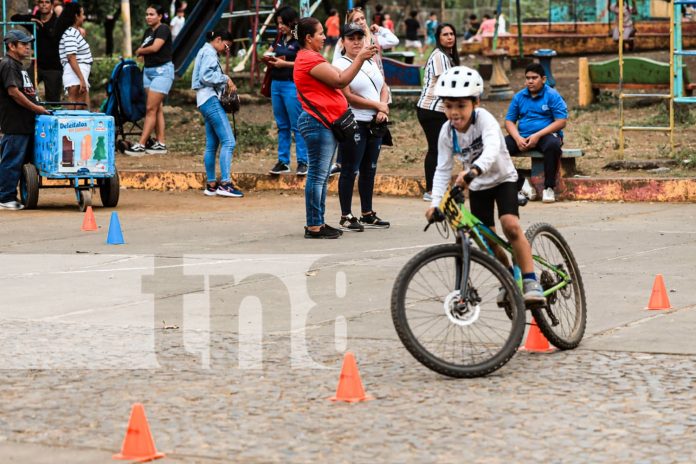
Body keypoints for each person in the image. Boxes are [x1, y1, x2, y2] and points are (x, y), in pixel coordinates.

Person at [425, 66, 546, 307]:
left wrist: (473, 171)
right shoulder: (447, 132)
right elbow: (442, 169)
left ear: (475, 103)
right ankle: (509, 278)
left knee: (510, 225)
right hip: (478, 186)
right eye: (449, 106)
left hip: (503, 179)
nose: (454, 113)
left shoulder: (485, 120)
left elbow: (491, 151)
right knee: (486, 239)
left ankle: (532, 280)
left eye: (461, 106)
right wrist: (435, 203)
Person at [293, 17, 378, 239]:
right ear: (308, 38)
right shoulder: (308, 59)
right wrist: (359, 58)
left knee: (320, 176)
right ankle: (314, 226)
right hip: (317, 122)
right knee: (317, 176)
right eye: (320, 33)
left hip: (323, 123)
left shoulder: (310, 57)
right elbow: (340, 81)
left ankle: (318, 222)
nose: (324, 36)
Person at [333, 23, 390, 232]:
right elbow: (348, 96)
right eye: (351, 38)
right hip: (354, 121)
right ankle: (346, 215)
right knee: (350, 169)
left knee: (369, 169)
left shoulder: (371, 61)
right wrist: (378, 105)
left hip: (375, 122)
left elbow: (383, 86)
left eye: (360, 37)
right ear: (343, 42)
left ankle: (367, 213)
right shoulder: (340, 65)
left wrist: (382, 109)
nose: (356, 41)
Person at [329, 6, 398, 176]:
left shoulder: (372, 39)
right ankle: (341, 162)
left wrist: (380, 29)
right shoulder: (343, 47)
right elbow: (341, 77)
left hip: (376, 88)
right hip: (356, 96)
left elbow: (393, 40)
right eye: (356, 20)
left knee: (369, 168)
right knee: (351, 167)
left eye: (362, 19)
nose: (360, 22)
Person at [0, 30, 51, 211]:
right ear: (11, 46)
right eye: (23, 44)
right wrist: (36, 108)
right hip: (15, 123)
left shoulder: (18, 65)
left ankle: (17, 195)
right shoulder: (8, 65)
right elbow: (13, 92)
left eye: (29, 43)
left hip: (26, 122)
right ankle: (5, 197)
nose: (28, 46)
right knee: (12, 161)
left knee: (21, 162)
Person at [504, 63, 568, 204]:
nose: (530, 81)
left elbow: (561, 121)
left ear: (543, 79)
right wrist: (517, 138)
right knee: (498, 148)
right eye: (527, 78)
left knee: (553, 145)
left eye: (534, 78)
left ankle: (549, 187)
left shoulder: (552, 95)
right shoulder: (519, 97)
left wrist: (537, 135)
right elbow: (509, 121)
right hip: (522, 136)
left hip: (546, 136)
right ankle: (521, 183)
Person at [191, 31, 243, 198]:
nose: (227, 49)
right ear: (218, 40)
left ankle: (212, 184)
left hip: (203, 100)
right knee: (229, 141)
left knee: (212, 144)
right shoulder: (209, 52)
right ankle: (225, 184)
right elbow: (206, 76)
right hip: (210, 100)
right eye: (226, 45)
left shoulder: (204, 50)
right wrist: (226, 78)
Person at [417, 23, 459, 202]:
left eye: (452, 34)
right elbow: (446, 85)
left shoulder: (447, 56)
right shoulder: (440, 56)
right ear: (438, 38)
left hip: (437, 109)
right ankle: (431, 190)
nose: (449, 37)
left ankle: (437, 188)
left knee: (441, 149)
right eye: (445, 35)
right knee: (436, 149)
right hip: (432, 109)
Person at [125, 4, 174, 156]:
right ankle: (160, 143)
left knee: (150, 109)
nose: (148, 17)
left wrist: (140, 51)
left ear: (160, 16)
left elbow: (154, 48)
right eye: (147, 14)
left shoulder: (163, 29)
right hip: (148, 71)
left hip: (162, 71)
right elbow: (146, 49)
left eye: (152, 14)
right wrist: (141, 52)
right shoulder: (148, 31)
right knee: (156, 107)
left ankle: (141, 144)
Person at [264, 6, 308, 176]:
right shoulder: (278, 38)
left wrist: (285, 64)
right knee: (282, 125)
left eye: (282, 23)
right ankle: (283, 161)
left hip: (291, 85)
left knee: (297, 125)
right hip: (276, 84)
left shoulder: (300, 40)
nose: (280, 26)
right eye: (278, 24)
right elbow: (270, 52)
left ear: (291, 22)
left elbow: (304, 63)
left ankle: (303, 161)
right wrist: (268, 57)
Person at [11, 0, 63, 103]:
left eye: (47, 2)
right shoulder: (35, 20)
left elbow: (51, 36)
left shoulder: (57, 22)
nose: (44, 4)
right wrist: (32, 20)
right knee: (24, 90)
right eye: (41, 2)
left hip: (53, 67)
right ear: (37, 5)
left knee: (53, 102)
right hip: (36, 65)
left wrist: (41, 27)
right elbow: (14, 18)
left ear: (52, 5)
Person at [56, 2, 91, 110]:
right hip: (75, 73)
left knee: (82, 108)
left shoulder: (74, 32)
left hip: (78, 72)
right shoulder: (70, 33)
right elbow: (71, 57)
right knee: (77, 108)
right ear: (76, 16)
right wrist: (81, 79)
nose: (84, 17)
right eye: (82, 14)